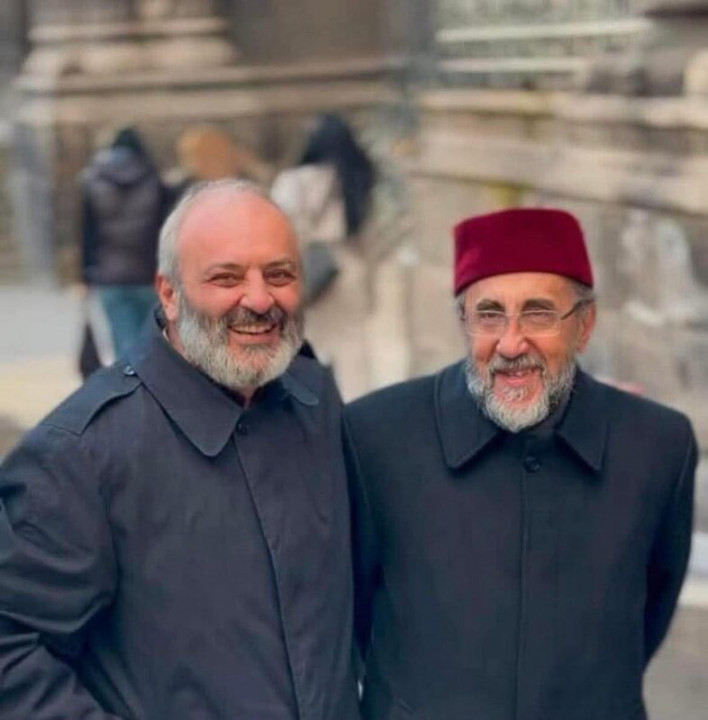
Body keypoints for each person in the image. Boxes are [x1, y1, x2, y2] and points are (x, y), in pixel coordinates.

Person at [0, 180, 360, 720]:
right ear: (168, 294)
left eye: (279, 274)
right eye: (226, 277)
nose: (259, 299)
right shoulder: (79, 455)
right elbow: (11, 649)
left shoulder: (316, 400)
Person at [345, 207, 696, 720]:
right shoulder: (374, 434)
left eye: (538, 313)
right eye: (489, 314)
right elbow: (351, 614)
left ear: (584, 325)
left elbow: (650, 610)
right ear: (464, 322)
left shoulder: (659, 445)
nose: (511, 343)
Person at [271, 113, 376, 400]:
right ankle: (357, 411)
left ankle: (313, 411)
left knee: (308, 345)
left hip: (309, 269)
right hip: (350, 267)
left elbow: (278, 231)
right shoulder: (359, 179)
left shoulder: (293, 181)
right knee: (353, 348)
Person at [80, 127, 167, 360]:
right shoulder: (153, 177)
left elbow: (87, 232)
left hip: (110, 275)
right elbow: (164, 229)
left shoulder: (93, 180)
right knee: (153, 339)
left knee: (122, 341)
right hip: (148, 273)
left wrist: (85, 275)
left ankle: (129, 380)